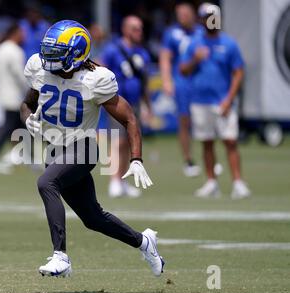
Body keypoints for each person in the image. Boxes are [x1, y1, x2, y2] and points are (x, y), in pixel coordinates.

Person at [20, 20, 164, 277]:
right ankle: (145, 242)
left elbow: (130, 118)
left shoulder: (96, 79)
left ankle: (60, 256)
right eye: (48, 51)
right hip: (54, 148)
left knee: (46, 184)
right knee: (93, 218)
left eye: (56, 53)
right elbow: (26, 103)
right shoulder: (40, 69)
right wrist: (27, 118)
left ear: (76, 54)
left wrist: (136, 159)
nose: (48, 59)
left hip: (82, 148)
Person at [180, 3, 251, 199]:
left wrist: (229, 99)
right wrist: (195, 59)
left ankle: (238, 182)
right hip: (199, 101)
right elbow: (183, 70)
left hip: (222, 102)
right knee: (206, 142)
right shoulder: (194, 43)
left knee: (230, 141)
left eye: (211, 16)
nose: (208, 20)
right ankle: (211, 183)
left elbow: (238, 72)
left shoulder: (229, 43)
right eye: (204, 17)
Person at [100, 16, 153, 198]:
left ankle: (122, 180)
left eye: (140, 28)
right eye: (135, 28)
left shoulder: (143, 53)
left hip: (134, 103)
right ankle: (114, 180)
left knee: (129, 142)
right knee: (118, 141)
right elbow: (99, 68)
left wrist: (148, 105)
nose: (139, 32)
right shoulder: (113, 50)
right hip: (116, 102)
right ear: (125, 29)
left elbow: (144, 82)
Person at [160, 2, 203, 177]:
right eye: (180, 14)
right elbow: (165, 57)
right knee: (184, 121)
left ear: (192, 14)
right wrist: (166, 80)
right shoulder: (172, 33)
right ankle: (188, 160)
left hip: (201, 82)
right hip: (182, 83)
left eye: (185, 14)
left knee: (203, 121)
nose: (182, 17)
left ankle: (208, 159)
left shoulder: (202, 31)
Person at [0, 23, 27, 174]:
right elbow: (19, 74)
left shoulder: (0, 49)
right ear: (15, 33)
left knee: (21, 128)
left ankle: (26, 158)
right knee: (10, 127)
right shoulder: (15, 51)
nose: (24, 35)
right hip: (14, 95)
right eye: (21, 32)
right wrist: (30, 91)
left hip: (2, 93)